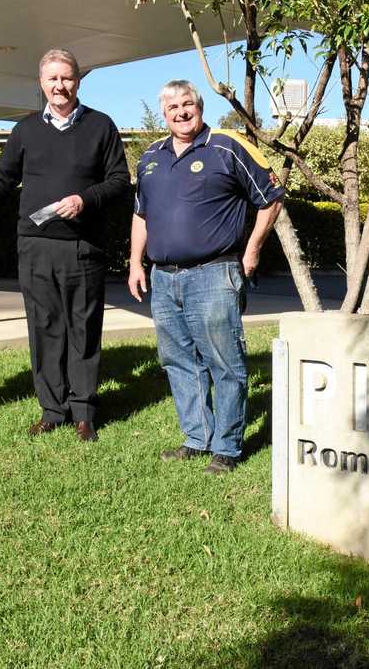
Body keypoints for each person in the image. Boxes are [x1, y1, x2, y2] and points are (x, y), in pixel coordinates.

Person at [0, 48, 130, 441]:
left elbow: (118, 181)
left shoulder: (101, 126)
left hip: (83, 247)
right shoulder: (25, 130)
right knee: (44, 328)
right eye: (52, 79)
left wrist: (84, 200)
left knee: (83, 328)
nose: (60, 86)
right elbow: (3, 179)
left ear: (77, 81)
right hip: (36, 245)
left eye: (67, 78)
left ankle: (84, 412)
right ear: (42, 83)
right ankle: (52, 409)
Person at [128, 80, 283, 474]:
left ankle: (227, 448)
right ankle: (197, 438)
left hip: (214, 274)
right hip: (164, 278)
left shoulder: (227, 145)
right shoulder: (150, 156)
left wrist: (252, 251)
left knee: (224, 363)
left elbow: (272, 198)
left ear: (199, 106)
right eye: (172, 108)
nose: (181, 112)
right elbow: (141, 214)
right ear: (164, 114)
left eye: (187, 104)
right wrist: (134, 262)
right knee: (179, 361)